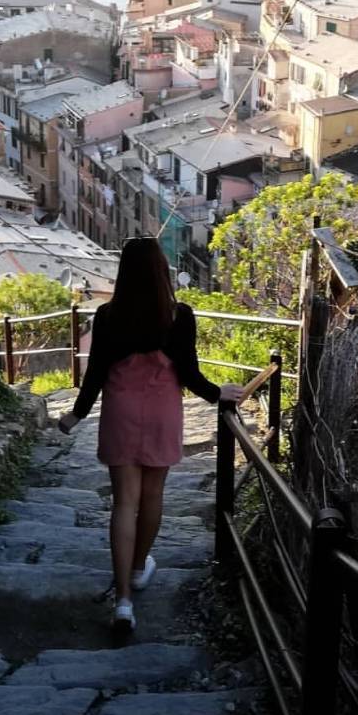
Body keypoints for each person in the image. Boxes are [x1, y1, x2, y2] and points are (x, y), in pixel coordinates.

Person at [58, 237, 244, 633]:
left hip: (121, 412)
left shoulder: (107, 316)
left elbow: (94, 374)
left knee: (124, 503)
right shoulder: (179, 316)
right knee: (153, 496)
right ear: (161, 269)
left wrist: (76, 415)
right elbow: (190, 374)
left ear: (124, 272)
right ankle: (141, 566)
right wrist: (219, 394)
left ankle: (123, 599)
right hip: (162, 412)